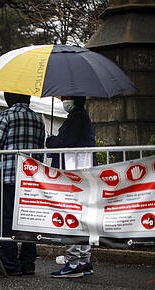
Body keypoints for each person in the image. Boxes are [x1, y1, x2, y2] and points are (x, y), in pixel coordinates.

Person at [0, 92, 45, 276]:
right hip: (30, 178)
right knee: (28, 222)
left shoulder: (5, 116)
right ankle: (28, 263)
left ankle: (9, 264)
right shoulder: (38, 119)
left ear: (7, 99)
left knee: (5, 221)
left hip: (7, 177)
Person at [47, 96, 96, 278]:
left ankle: (73, 262)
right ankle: (84, 260)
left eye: (65, 97)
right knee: (82, 216)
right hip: (82, 171)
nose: (62, 100)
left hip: (74, 172)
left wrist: (50, 140)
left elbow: (64, 142)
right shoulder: (83, 116)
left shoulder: (76, 117)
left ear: (74, 99)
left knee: (72, 214)